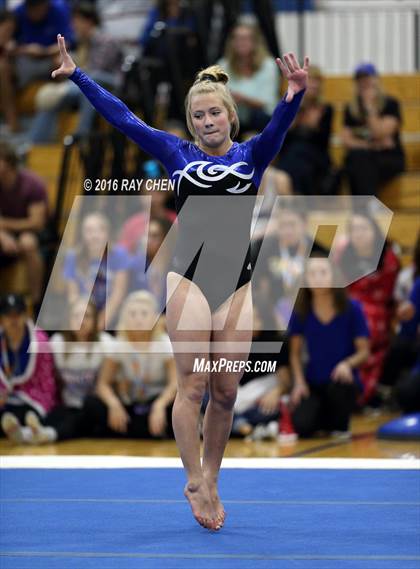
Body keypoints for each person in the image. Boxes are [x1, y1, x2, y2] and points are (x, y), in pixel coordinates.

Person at [51, 33, 308, 530]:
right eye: (197, 116)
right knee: (192, 386)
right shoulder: (175, 154)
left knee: (227, 390)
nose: (206, 121)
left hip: (235, 282)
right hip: (188, 278)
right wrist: (80, 75)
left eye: (214, 113)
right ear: (190, 123)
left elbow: (279, 128)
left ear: (230, 116)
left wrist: (292, 95)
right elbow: (124, 118)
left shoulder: (252, 157)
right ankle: (193, 478)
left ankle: (212, 474)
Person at [288, 256, 370, 438]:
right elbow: (294, 354)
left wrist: (347, 364)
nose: (317, 278)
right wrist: (299, 382)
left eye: (323, 272)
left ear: (333, 276)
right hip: (313, 383)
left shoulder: (352, 308)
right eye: (312, 274)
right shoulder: (301, 311)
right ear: (305, 280)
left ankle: (338, 421)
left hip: (341, 382)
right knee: (302, 425)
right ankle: (322, 417)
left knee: (339, 401)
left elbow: (364, 351)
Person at [84, 291, 177, 439]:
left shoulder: (164, 344)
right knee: (91, 404)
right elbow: (102, 384)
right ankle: (139, 430)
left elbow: (175, 384)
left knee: (177, 407)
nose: (138, 319)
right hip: (130, 404)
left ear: (154, 317)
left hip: (155, 401)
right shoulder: (119, 345)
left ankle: (131, 431)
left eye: (144, 314)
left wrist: (160, 405)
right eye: (132, 314)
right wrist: (114, 403)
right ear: (125, 318)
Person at [23, 297, 115, 444]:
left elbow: (110, 381)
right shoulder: (57, 343)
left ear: (95, 320)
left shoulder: (106, 344)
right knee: (56, 415)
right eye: (76, 316)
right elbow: (50, 379)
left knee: (86, 409)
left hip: (94, 407)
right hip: (69, 405)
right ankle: (28, 433)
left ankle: (50, 434)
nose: (81, 321)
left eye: (87, 316)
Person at [30, 2, 122, 143]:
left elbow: (96, 70)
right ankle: (35, 145)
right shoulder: (82, 43)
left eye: (76, 21)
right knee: (49, 101)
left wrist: (64, 87)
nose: (73, 26)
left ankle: (81, 137)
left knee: (91, 82)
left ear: (88, 21)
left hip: (112, 85)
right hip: (86, 85)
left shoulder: (106, 40)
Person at [336, 212, 400, 404]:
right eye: (354, 229)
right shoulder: (343, 256)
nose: (359, 234)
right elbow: (339, 291)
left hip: (379, 312)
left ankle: (363, 386)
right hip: (350, 310)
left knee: (367, 320)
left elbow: (388, 295)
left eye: (364, 228)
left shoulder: (388, 258)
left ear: (374, 231)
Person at [0, 0, 74, 133]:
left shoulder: (58, 9)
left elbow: (67, 43)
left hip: (51, 57)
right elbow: (7, 44)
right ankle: (12, 122)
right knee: (2, 67)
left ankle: (64, 114)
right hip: (24, 60)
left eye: (39, 9)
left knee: (61, 62)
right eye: (32, 9)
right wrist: (25, 49)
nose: (36, 13)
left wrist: (44, 51)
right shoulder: (18, 13)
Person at [341, 62, 405, 196]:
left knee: (359, 162)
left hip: (389, 158)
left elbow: (379, 132)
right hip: (365, 157)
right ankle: (367, 209)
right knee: (356, 159)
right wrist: (371, 145)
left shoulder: (391, 104)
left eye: (367, 78)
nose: (364, 83)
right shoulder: (351, 108)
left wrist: (369, 107)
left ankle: (362, 211)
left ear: (376, 80)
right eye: (360, 80)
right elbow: (346, 141)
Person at [0, 293, 56, 442]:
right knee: (5, 414)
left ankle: (26, 430)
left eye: (17, 314)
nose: (13, 320)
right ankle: (24, 432)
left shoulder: (40, 341)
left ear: (26, 315)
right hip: (6, 401)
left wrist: (43, 405)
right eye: (8, 315)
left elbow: (47, 382)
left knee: (30, 414)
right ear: (1, 318)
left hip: (32, 398)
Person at [62, 211, 131, 330]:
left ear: (107, 233)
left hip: (112, 314)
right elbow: (73, 296)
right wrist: (82, 321)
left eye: (100, 230)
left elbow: (118, 294)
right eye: (89, 231)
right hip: (83, 312)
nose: (94, 235)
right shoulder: (72, 257)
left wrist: (100, 325)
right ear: (82, 234)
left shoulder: (119, 255)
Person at [0, 141, 49, 305]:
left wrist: (5, 225)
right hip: (5, 233)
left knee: (28, 242)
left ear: (7, 162)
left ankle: (35, 302)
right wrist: (3, 235)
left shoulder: (32, 183)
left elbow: (37, 223)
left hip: (34, 232)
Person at [277, 65, 335, 195]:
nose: (314, 85)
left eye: (316, 81)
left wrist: (313, 128)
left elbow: (324, 143)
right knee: (300, 163)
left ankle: (292, 197)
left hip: (316, 154)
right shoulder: (288, 106)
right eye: (310, 80)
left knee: (299, 156)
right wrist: (297, 115)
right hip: (293, 154)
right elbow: (282, 139)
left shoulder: (325, 108)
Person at [217, 22, 279, 134]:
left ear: (255, 42)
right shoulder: (223, 65)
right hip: (233, 117)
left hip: (261, 118)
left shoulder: (268, 65)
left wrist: (241, 98)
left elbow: (267, 102)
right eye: (236, 38)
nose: (241, 42)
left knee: (261, 118)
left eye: (245, 38)